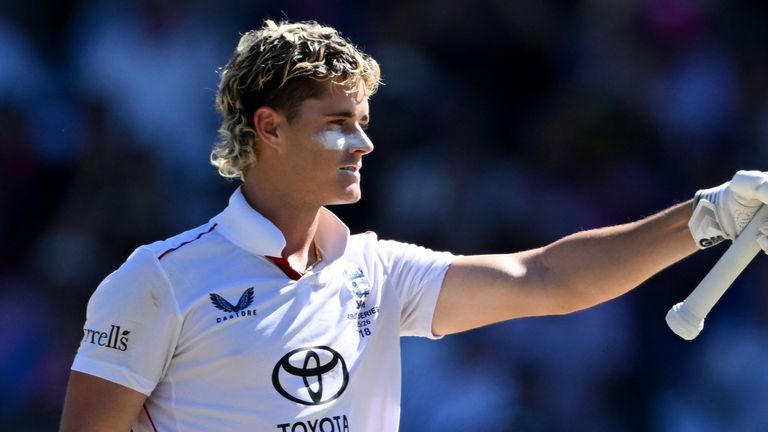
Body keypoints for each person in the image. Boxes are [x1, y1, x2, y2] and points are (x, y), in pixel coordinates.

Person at [59, 19, 768, 432]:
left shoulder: (376, 270)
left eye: (363, 124)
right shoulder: (156, 281)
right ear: (268, 128)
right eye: (338, 125)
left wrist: (706, 217)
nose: (364, 145)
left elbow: (545, 276)